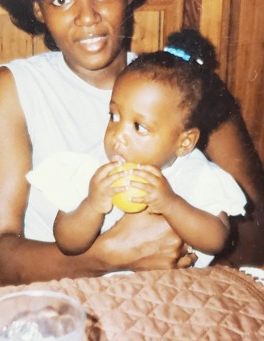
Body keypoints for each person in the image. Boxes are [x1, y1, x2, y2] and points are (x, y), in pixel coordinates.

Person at [0, 0, 264, 288]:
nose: (87, 16)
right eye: (60, 0)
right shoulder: (12, 91)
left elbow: (256, 229)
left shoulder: (183, 85)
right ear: (38, 10)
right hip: (61, 303)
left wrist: (185, 245)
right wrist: (109, 255)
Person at [28, 30, 246, 267]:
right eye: (114, 116)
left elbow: (217, 241)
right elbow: (67, 243)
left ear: (184, 142)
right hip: (108, 282)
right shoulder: (97, 171)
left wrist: (171, 203)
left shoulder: (197, 174)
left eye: (139, 127)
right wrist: (92, 204)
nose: (118, 135)